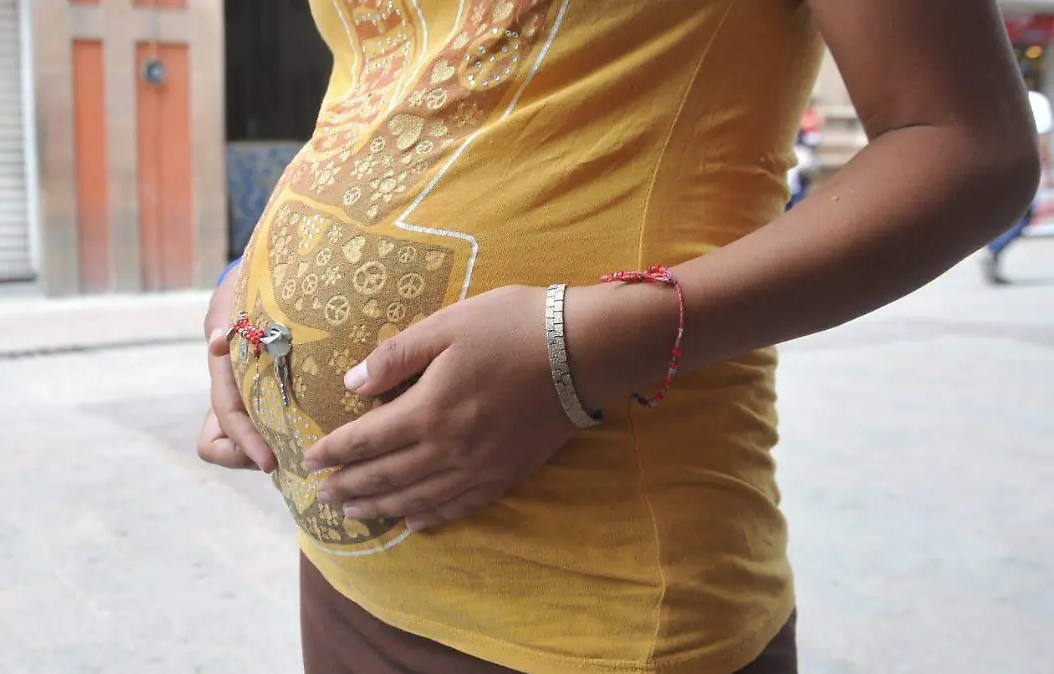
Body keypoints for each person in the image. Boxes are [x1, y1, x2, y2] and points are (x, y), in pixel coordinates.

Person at [198, 2, 1037, 672]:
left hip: (596, 605)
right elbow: (381, 88)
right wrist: (261, 271)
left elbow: (967, 145)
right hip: (346, 578)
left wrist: (581, 350)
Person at [983, 87, 1053, 284]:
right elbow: (1042, 140)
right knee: (1024, 214)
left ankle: (995, 248)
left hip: (1001, 163)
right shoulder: (1037, 100)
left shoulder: (1002, 96)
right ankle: (995, 248)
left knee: (1012, 212)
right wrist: (1046, 171)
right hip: (1028, 165)